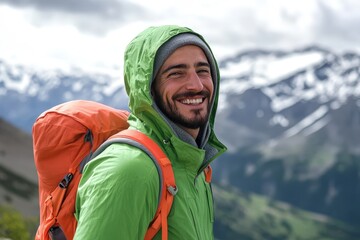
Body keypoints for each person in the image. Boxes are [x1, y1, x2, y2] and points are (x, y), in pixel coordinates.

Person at [74, 25, 227, 239]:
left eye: (203, 70)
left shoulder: (192, 163)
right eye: (176, 73)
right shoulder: (128, 170)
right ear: (148, 88)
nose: (196, 84)